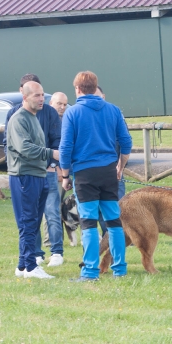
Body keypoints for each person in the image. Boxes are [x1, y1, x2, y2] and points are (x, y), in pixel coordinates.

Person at [60, 71, 132, 282]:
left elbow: (65, 148)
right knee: (114, 221)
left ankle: (90, 271)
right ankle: (120, 269)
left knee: (89, 222)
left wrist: (65, 175)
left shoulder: (72, 113)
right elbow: (126, 142)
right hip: (109, 171)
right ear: (96, 87)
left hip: (84, 173)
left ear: (78, 89)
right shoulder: (113, 110)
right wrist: (120, 165)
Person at [3, 74, 64, 268]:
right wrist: (52, 154)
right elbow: (25, 148)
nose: (41, 99)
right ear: (24, 96)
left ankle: (24, 265)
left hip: (40, 174)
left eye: (42, 96)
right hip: (24, 176)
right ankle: (31, 265)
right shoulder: (18, 118)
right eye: (37, 95)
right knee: (28, 223)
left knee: (39, 218)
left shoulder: (36, 116)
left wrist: (51, 163)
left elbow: (54, 139)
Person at [95, 86, 126, 237]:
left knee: (119, 205)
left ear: (104, 96)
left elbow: (125, 142)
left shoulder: (114, 113)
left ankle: (123, 235)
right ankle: (108, 236)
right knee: (100, 210)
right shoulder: (83, 115)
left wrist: (120, 166)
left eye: (98, 97)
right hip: (93, 172)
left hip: (114, 170)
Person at [42, 91, 69, 248]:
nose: (62, 107)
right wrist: (56, 167)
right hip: (54, 169)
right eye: (59, 103)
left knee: (62, 206)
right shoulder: (46, 119)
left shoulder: (66, 119)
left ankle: (59, 239)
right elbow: (51, 145)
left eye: (65, 104)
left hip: (69, 169)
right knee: (52, 206)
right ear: (51, 103)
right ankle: (50, 241)